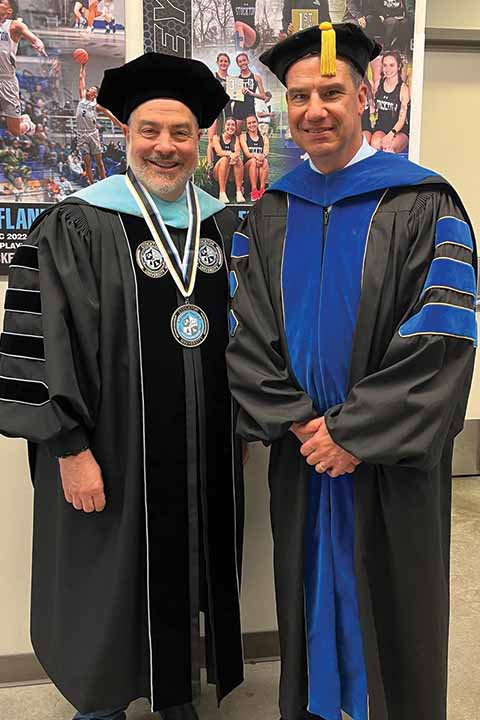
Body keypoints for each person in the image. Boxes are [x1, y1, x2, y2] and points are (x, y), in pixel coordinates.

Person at [226, 22, 477, 720]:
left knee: (394, 613)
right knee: (305, 604)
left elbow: (443, 337)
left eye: (331, 91)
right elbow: (244, 333)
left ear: (364, 95)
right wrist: (302, 423)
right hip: (304, 453)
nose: (315, 109)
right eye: (300, 95)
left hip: (386, 462)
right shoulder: (271, 210)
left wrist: (355, 432)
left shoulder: (424, 203)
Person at [0, 52, 244, 720]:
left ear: (201, 140)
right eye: (149, 131)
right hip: (105, 452)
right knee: (108, 576)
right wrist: (70, 449)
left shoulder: (226, 227)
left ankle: (175, 692)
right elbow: (38, 347)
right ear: (125, 135)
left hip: (203, 457)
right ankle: (102, 701)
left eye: (181, 133)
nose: (165, 147)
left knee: (189, 567)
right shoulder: (75, 226)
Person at [0, 0, 46, 136]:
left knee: (15, 131)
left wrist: (37, 42)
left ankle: (26, 123)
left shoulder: (14, 26)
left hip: (7, 81)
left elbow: (32, 37)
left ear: (9, 10)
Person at [76, 60, 123, 184]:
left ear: (95, 94)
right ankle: (91, 184)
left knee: (99, 162)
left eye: (91, 89)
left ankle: (103, 182)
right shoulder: (81, 98)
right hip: (81, 134)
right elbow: (81, 78)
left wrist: (121, 126)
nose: (88, 89)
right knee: (86, 161)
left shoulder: (96, 105)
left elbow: (110, 116)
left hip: (93, 134)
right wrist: (83, 65)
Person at [371, 51, 409, 153]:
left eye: (392, 65)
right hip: (381, 128)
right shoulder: (378, 84)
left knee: (389, 149)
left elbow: (402, 120)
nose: (388, 69)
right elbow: (374, 107)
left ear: (399, 67)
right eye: (385, 65)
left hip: (399, 131)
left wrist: (391, 134)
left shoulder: (403, 89)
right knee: (375, 146)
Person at [211, 116, 245, 203]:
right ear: (224, 126)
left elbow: (237, 152)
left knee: (239, 160)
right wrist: (231, 154)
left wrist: (235, 156)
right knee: (224, 159)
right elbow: (219, 152)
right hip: (217, 171)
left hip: (231, 173)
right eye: (228, 124)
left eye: (233, 125)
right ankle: (222, 193)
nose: (231, 127)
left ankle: (238, 191)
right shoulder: (217, 137)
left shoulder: (236, 138)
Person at [207, 52, 233, 164]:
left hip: (227, 110)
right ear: (217, 63)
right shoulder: (213, 76)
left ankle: (227, 164)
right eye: (221, 61)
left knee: (226, 138)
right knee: (211, 139)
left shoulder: (232, 80)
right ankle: (209, 165)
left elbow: (235, 97)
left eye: (225, 61)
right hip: (215, 111)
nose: (223, 63)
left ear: (229, 63)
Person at [232, 52, 266, 135]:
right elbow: (232, 97)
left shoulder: (256, 77)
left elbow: (263, 96)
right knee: (237, 134)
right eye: (240, 61)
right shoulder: (236, 79)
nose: (242, 63)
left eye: (244, 60)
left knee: (253, 134)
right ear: (237, 64)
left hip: (250, 108)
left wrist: (252, 94)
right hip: (238, 109)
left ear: (248, 61)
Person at [239, 114, 269, 201]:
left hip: (260, 167)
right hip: (247, 169)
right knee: (252, 161)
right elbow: (247, 154)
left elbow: (266, 151)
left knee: (265, 161)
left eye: (254, 122)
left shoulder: (263, 137)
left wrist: (261, 157)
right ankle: (254, 190)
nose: (252, 125)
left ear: (257, 122)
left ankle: (262, 189)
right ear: (247, 125)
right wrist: (257, 156)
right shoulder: (243, 136)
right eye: (249, 123)